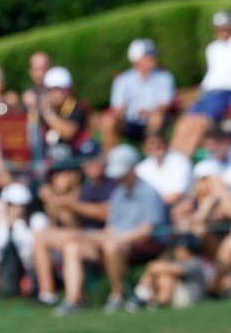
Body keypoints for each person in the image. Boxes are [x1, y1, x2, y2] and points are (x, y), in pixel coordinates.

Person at [52, 144, 167, 316]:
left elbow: (147, 231)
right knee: (73, 246)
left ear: (133, 168)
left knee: (111, 246)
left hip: (143, 245)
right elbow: (111, 227)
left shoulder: (148, 192)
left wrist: (117, 239)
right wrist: (95, 237)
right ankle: (74, 299)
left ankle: (117, 296)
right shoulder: (119, 193)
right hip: (116, 240)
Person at [33, 139, 118, 305]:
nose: (92, 164)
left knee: (65, 244)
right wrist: (54, 202)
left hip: (107, 239)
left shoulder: (113, 184)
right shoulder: (86, 187)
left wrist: (73, 205)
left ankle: (74, 299)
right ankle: (49, 294)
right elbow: (73, 225)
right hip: (87, 237)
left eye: (95, 159)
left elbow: (107, 213)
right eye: (88, 160)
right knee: (43, 237)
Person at [170, 11, 231, 158]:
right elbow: (213, 74)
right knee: (185, 121)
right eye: (219, 28)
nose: (221, 31)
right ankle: (172, 158)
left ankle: (182, 159)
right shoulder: (212, 48)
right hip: (209, 93)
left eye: (225, 27)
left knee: (200, 123)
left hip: (224, 93)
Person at [100, 38, 176, 152]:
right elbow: (117, 108)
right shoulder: (123, 80)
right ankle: (111, 158)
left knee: (156, 117)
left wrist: (148, 112)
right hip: (129, 122)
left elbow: (165, 105)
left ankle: (153, 154)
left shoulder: (165, 77)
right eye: (147, 55)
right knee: (109, 121)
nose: (152, 58)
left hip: (154, 119)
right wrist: (119, 113)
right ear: (136, 59)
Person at [38, 66, 90, 157]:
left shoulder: (77, 107)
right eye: (51, 90)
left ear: (69, 89)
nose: (54, 94)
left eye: (58, 89)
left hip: (75, 157)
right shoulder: (50, 109)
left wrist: (48, 114)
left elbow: (68, 133)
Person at [135, 129, 193, 207]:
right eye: (152, 143)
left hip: (174, 208)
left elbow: (177, 195)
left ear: (166, 143)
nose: (156, 146)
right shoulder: (143, 167)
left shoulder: (180, 162)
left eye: (160, 142)